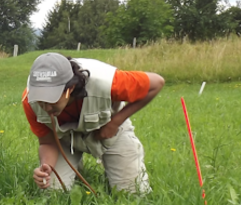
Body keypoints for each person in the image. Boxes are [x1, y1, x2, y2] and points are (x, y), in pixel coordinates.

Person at [22, 52, 164, 193]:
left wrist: (116, 122)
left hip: (110, 130)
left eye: (52, 99)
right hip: (65, 139)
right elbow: (47, 142)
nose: (46, 108)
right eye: (41, 101)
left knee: (134, 193)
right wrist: (46, 167)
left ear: (69, 89)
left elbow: (156, 83)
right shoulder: (29, 101)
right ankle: (74, 163)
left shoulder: (107, 82)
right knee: (52, 192)